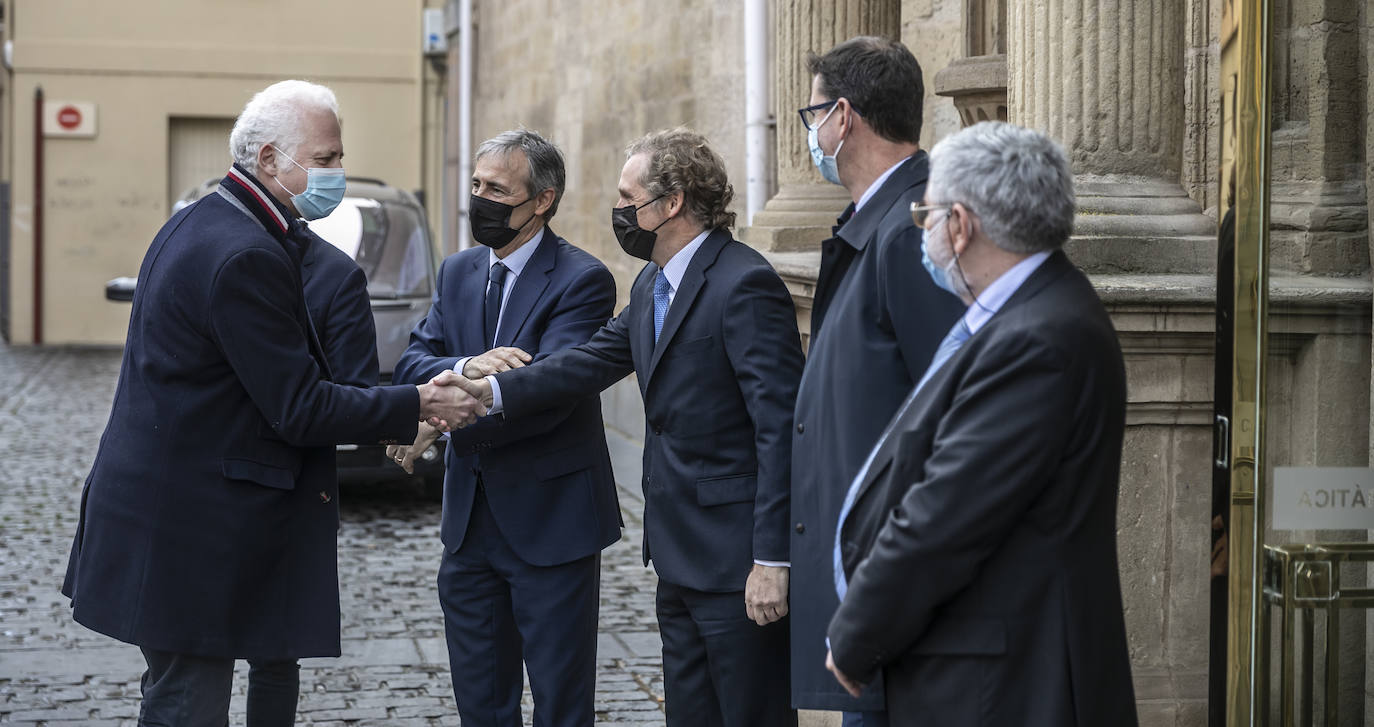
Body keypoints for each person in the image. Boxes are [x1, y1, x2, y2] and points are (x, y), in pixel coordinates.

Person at [60, 80, 483, 727]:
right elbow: (301, 407)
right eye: (327, 158)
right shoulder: (243, 252)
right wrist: (420, 401)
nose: (337, 172)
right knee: (186, 707)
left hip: (172, 514)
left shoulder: (205, 221)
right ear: (267, 160)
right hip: (189, 532)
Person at [451, 128, 802, 727]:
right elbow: (587, 363)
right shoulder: (652, 283)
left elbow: (782, 428)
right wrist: (486, 391)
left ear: (670, 204)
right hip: (676, 555)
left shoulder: (743, 283)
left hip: (737, 561)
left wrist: (773, 559)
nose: (618, 211)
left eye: (626, 197)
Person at [825, 121, 1138, 726]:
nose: (926, 233)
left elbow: (945, 515)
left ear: (961, 226)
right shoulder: (1020, 314)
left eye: (928, 216)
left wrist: (859, 631)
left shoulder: (1039, 337)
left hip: (1004, 684)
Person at [389, 129, 621, 727]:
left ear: (541, 200)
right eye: (476, 185)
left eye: (497, 189)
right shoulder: (459, 271)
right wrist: (465, 367)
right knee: (481, 701)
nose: (480, 199)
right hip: (468, 527)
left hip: (552, 521)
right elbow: (416, 359)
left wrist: (445, 407)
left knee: (560, 703)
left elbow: (555, 383)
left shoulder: (582, 279)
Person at [789, 36, 964, 726]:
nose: (812, 133)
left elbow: (950, 418)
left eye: (812, 116)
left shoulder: (911, 230)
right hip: (869, 584)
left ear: (844, 116)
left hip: (893, 591)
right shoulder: (880, 221)